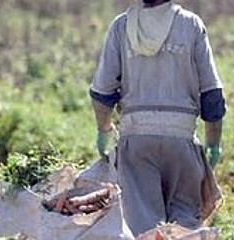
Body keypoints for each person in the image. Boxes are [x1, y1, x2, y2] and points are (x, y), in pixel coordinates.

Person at [89, 0, 226, 236]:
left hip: (137, 143)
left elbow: (102, 92)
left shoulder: (121, 27)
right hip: (181, 141)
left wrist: (104, 129)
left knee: (144, 226)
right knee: (186, 225)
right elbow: (211, 96)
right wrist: (213, 144)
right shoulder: (191, 25)